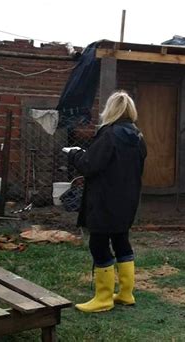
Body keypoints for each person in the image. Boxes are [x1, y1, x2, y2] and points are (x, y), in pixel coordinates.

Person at [66, 91, 147, 313]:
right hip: (128, 200)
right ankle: (126, 293)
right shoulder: (138, 137)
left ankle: (103, 298)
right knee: (121, 241)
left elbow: (90, 166)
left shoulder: (109, 135)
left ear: (110, 109)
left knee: (99, 244)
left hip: (104, 200)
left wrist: (74, 155)